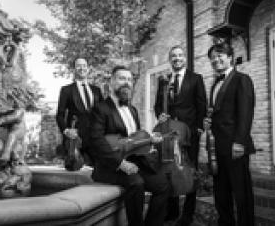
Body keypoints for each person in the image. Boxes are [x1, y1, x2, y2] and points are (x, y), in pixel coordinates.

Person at [90, 65, 170, 226]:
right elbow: (96, 142)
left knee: (163, 185)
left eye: (129, 80)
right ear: (111, 82)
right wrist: (121, 164)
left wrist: (150, 140)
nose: (126, 83)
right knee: (137, 183)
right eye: (121, 78)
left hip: (135, 162)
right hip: (110, 166)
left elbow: (133, 139)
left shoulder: (132, 109)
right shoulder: (100, 109)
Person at [154, 45, 207, 226]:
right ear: (170, 60)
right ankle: (172, 210)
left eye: (180, 55)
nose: (177, 58)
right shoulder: (163, 80)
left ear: (184, 58)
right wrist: (159, 115)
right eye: (173, 56)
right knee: (169, 169)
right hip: (169, 133)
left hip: (188, 133)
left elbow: (202, 105)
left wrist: (199, 129)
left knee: (190, 171)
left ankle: (188, 214)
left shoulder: (196, 78)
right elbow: (157, 106)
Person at [207, 42, 255, 226]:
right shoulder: (213, 85)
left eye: (220, 55)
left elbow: (245, 114)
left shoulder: (242, 79)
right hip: (216, 148)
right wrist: (208, 121)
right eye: (212, 57)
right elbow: (218, 113)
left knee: (241, 193)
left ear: (230, 57)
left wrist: (240, 143)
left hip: (235, 147)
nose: (215, 59)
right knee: (221, 192)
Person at [56, 57, 103, 168]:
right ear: (74, 69)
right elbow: (60, 115)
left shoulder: (97, 90)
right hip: (75, 140)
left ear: (88, 69)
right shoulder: (66, 90)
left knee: (98, 172)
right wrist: (66, 131)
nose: (82, 68)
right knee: (75, 170)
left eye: (84, 65)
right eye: (79, 65)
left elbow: (103, 114)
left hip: (94, 139)